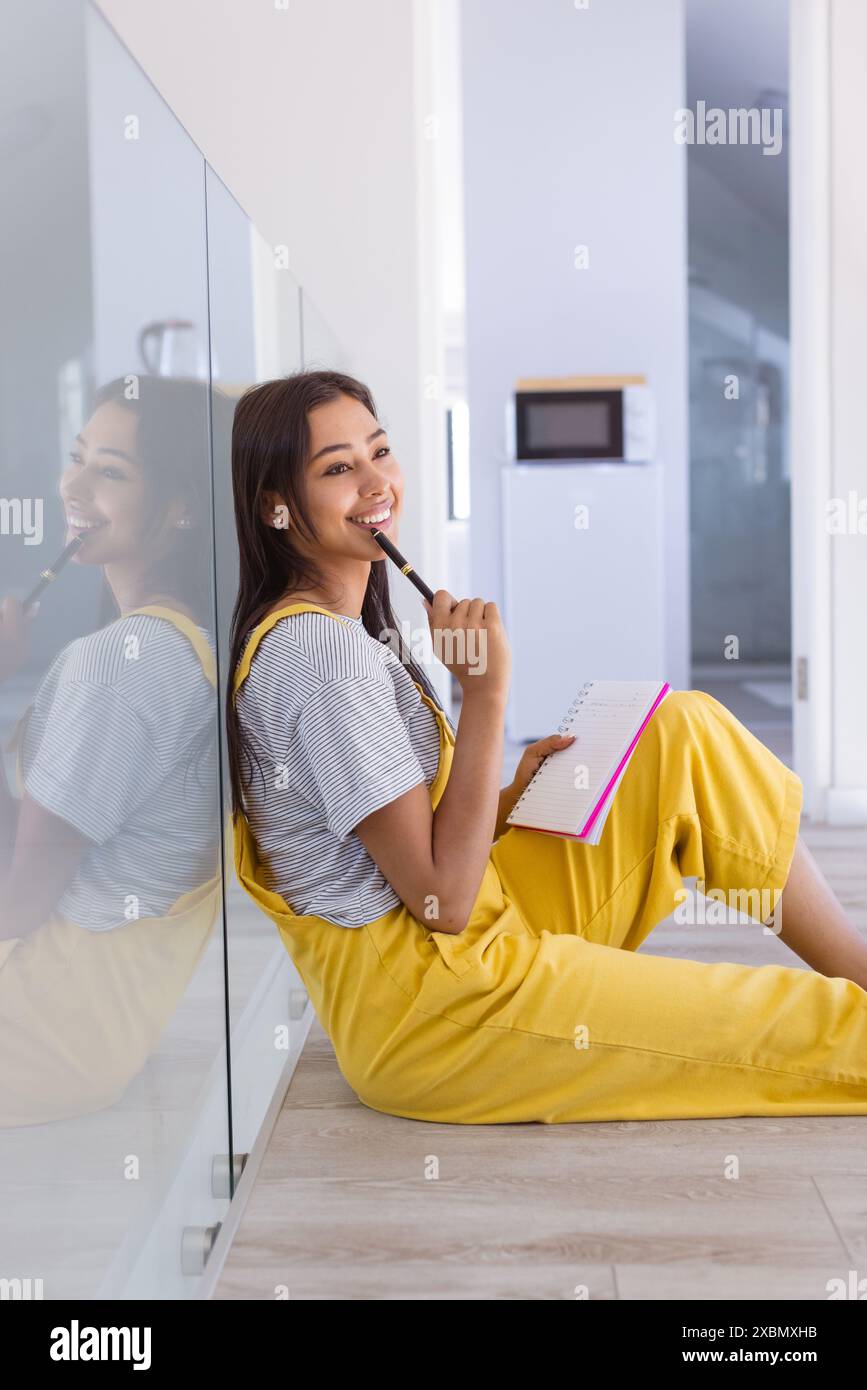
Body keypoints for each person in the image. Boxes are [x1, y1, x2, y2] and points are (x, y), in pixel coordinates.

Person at [228, 368, 867, 1125]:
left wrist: (499, 800)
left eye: (380, 451)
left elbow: (387, 845)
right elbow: (440, 901)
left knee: (679, 730)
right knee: (795, 1024)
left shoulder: (342, 635)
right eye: (338, 469)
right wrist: (487, 698)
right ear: (275, 505)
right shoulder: (321, 659)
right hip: (440, 1011)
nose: (377, 483)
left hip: (472, 938)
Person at [0, 374, 228, 1125]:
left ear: (181, 506)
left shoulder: (124, 661)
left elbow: (21, 896)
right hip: (92, 1038)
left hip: (31, 1036)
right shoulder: (193, 644)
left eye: (109, 471)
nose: (70, 484)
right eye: (76, 458)